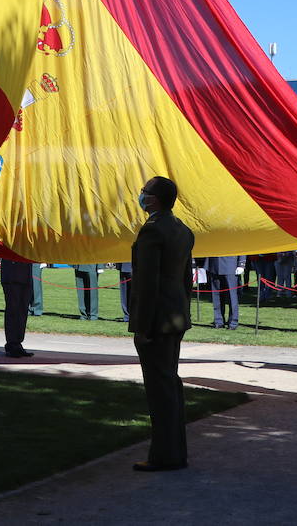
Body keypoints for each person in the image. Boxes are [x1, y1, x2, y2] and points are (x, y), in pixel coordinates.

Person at [128, 176, 194, 473]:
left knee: (159, 389)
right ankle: (175, 450)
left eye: (145, 191)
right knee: (170, 383)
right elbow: (184, 280)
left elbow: (147, 284)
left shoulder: (152, 231)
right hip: (175, 315)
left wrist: (142, 327)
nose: (141, 195)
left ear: (153, 199)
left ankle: (164, 455)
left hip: (156, 319)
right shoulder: (181, 229)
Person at [0, 258, 35, 357]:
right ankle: (11, 344)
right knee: (13, 310)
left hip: (25, 274)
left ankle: (18, 342)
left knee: (22, 310)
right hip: (12, 274)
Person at [204, 254, 242, 329]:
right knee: (216, 296)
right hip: (214, 263)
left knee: (232, 296)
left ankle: (233, 322)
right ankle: (218, 321)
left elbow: (241, 244)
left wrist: (241, 264)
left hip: (230, 264)